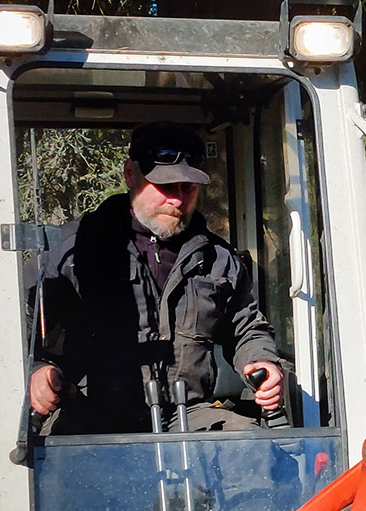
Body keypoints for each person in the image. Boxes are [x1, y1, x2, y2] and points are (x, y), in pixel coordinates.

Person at [28, 121, 284, 434]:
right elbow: (22, 335)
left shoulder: (217, 259)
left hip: (188, 417)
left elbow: (246, 329)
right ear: (129, 175)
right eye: (165, 187)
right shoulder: (73, 253)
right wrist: (38, 371)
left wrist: (261, 362)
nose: (177, 200)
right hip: (91, 417)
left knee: (260, 455)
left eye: (187, 188)